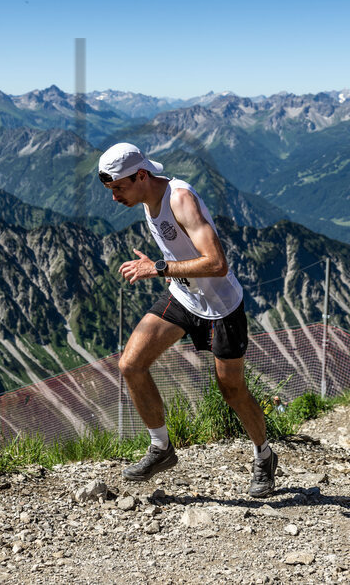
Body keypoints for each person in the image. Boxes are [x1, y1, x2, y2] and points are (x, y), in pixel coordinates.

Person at [97, 142, 278, 498]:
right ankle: (161, 448)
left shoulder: (180, 199)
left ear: (142, 175)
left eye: (118, 188)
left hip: (222, 308)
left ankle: (264, 455)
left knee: (233, 391)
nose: (114, 197)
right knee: (131, 364)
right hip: (183, 297)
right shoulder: (149, 199)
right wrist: (164, 267)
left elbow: (216, 263)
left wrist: (158, 267)